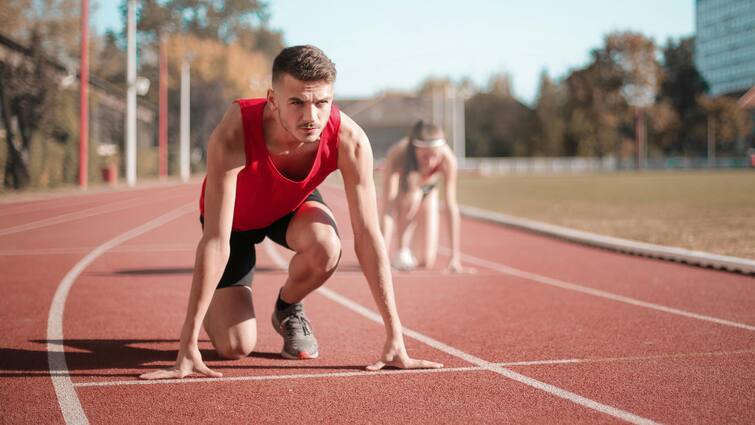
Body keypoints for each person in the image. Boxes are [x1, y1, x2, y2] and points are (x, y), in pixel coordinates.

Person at [140, 45, 442, 380]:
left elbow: (369, 236)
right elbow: (215, 240)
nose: (311, 116)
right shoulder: (234, 132)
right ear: (273, 99)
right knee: (235, 347)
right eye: (297, 102)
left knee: (328, 246)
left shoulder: (350, 141)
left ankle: (287, 308)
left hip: (290, 207)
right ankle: (213, 302)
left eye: (321, 102)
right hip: (235, 223)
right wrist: (187, 344)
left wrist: (395, 336)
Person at [379, 121, 469, 273]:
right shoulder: (397, 155)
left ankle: (413, 252)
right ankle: (402, 251)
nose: (430, 162)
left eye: (435, 156)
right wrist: (381, 257)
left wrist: (455, 257)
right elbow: (387, 208)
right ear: (415, 150)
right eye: (425, 157)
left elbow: (450, 206)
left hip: (429, 191)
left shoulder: (448, 160)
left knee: (425, 261)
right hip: (405, 191)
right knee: (413, 197)